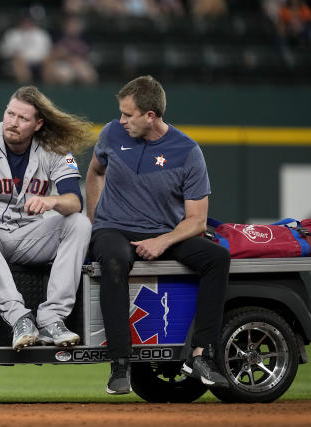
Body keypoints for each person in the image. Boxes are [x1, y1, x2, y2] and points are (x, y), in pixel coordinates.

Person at [85, 75, 230, 394]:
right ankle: (120, 364)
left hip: (165, 234)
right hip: (114, 230)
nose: (120, 120)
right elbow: (95, 172)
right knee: (113, 259)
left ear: (150, 115)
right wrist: (94, 222)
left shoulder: (187, 151)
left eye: (128, 114)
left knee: (217, 258)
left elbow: (197, 221)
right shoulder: (111, 134)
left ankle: (201, 356)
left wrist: (161, 241)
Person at [0, 86, 94, 350]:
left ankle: (52, 318)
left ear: (38, 124)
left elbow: (74, 202)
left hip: (28, 236)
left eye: (23, 118)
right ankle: (19, 318)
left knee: (79, 223)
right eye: (10, 114)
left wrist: (52, 201)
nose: (13, 122)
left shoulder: (55, 149)